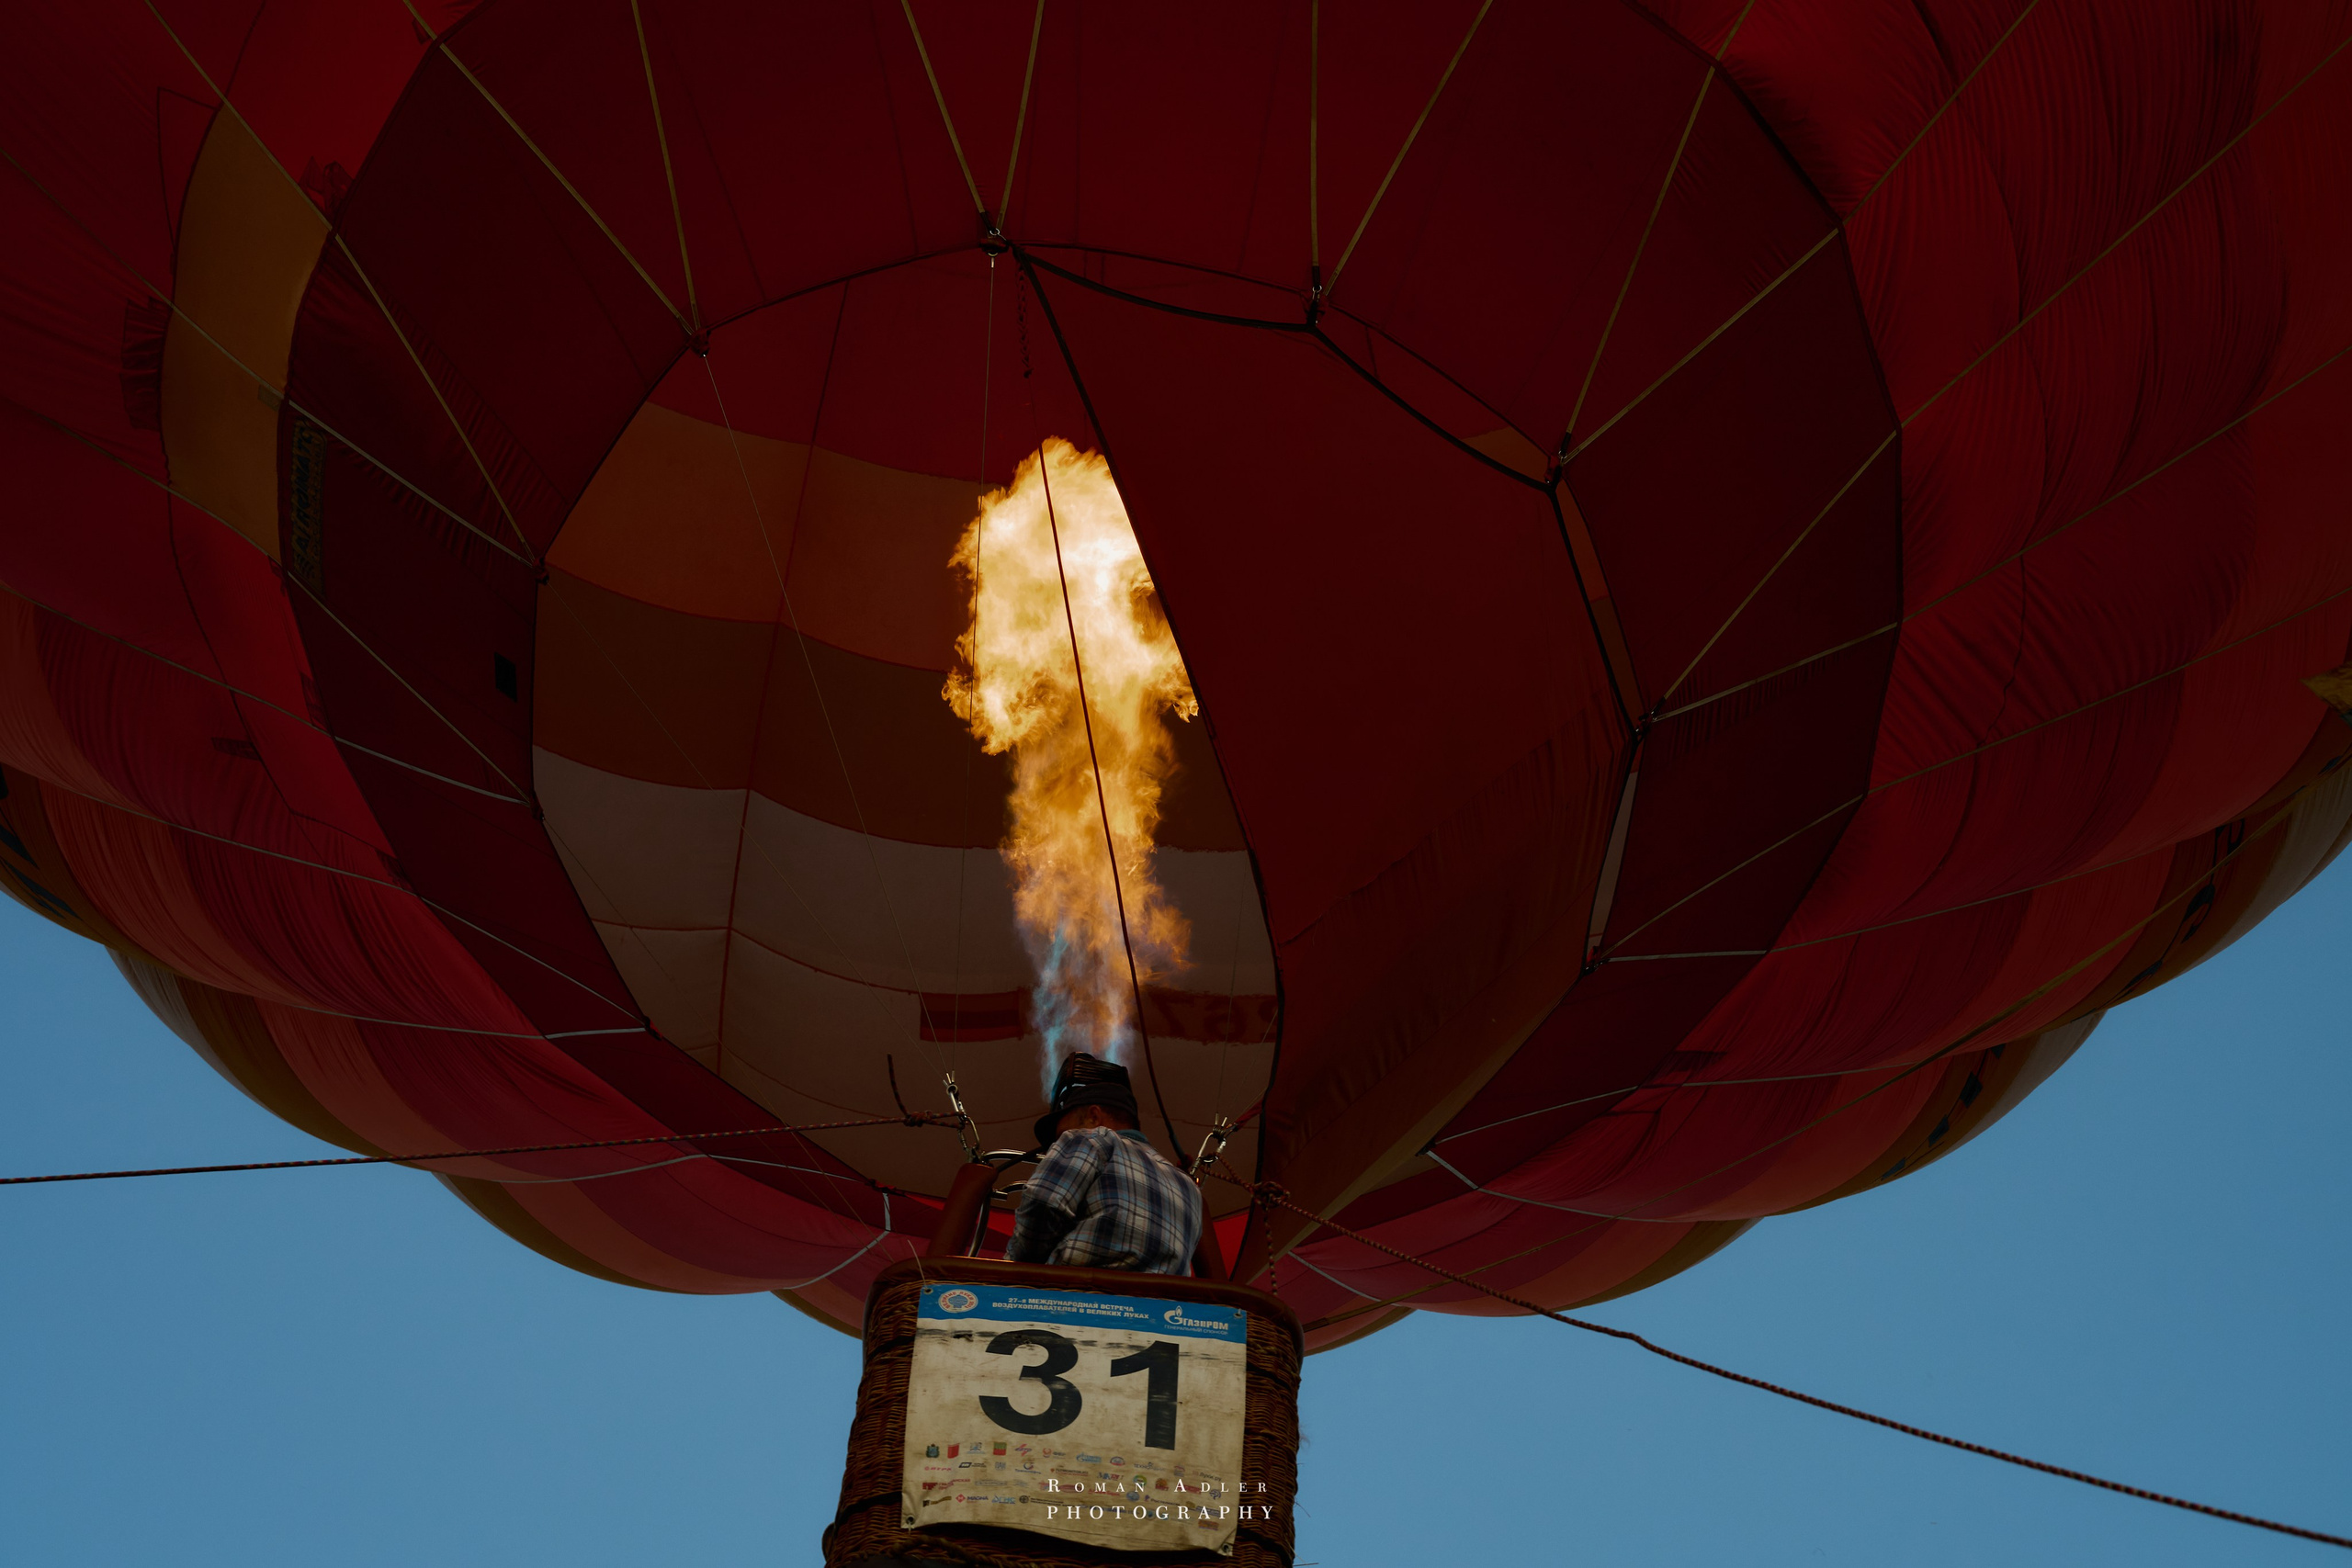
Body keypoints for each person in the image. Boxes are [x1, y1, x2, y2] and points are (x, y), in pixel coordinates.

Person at [1006, 1054, 1202, 1275]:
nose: (1056, 1146)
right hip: (1161, 1307)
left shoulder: (1091, 1139)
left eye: (1060, 1135)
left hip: (1081, 1298)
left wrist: (1017, 1265)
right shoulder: (1188, 1187)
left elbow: (1044, 1202)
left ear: (1093, 1116)